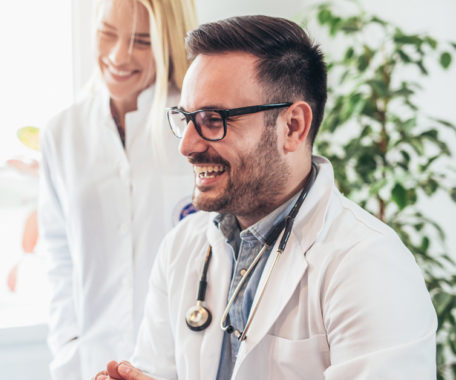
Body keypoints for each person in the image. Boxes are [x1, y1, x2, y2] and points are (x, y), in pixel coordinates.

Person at [95, 15, 437, 380]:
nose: (187, 145)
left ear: (293, 126)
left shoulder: (368, 264)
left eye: (214, 119)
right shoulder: (182, 247)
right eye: (186, 117)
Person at [38, 0, 198, 378]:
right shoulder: (63, 133)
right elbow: (59, 254)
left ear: (170, 41)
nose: (117, 56)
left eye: (142, 41)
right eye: (107, 34)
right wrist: (68, 344)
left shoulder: (199, 127)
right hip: (91, 362)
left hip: (180, 362)